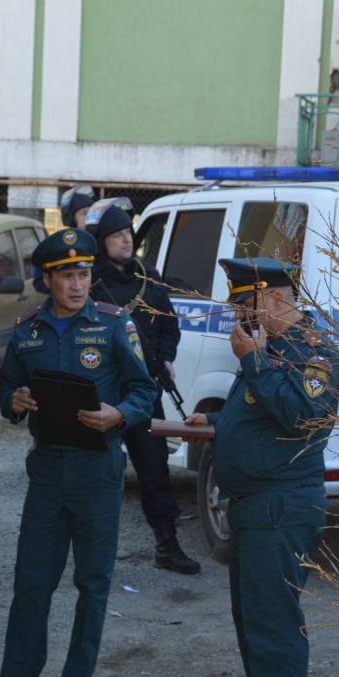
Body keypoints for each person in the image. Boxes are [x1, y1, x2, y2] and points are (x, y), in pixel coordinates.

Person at [0, 229, 157, 677]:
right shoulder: (28, 330)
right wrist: (16, 399)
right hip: (47, 469)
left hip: (98, 467)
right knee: (31, 579)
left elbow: (144, 391)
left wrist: (120, 414)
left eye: (84, 274)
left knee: (92, 581)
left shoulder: (115, 324)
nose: (78, 285)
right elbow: (7, 387)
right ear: (47, 280)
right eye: (67, 276)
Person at [184, 257, 339, 677]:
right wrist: (215, 420)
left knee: (273, 624)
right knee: (252, 618)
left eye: (246, 305)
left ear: (276, 298)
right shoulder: (266, 345)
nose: (239, 317)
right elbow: (257, 409)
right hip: (253, 504)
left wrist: (254, 363)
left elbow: (304, 417)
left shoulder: (314, 352)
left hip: (281, 506)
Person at [85, 197, 200, 575]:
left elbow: (169, 324)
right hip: (101, 392)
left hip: (144, 390)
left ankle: (167, 546)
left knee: (154, 470)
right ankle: (90, 553)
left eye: (128, 234)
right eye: (116, 236)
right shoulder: (90, 282)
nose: (125, 241)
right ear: (102, 242)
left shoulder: (149, 277)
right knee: (100, 473)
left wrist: (165, 359)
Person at [31, 185, 97, 295]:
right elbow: (39, 283)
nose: (89, 217)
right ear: (71, 218)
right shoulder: (58, 245)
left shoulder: (101, 244)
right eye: (84, 213)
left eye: (92, 213)